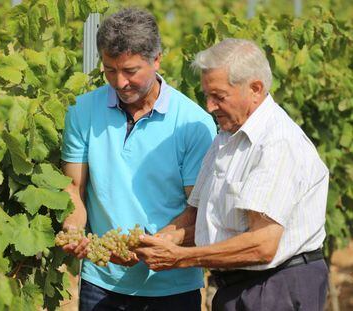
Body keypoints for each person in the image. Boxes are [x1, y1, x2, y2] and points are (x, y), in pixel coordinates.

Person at [135, 38, 329, 311]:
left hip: (277, 287)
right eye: (207, 95)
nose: (209, 106)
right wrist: (155, 243)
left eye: (219, 96)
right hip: (240, 286)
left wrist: (181, 258)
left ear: (255, 89)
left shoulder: (277, 143)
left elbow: (262, 245)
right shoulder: (226, 138)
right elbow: (198, 217)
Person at [60, 7, 216, 311]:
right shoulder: (81, 111)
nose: (119, 83)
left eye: (130, 71)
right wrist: (73, 229)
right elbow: (73, 189)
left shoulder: (192, 124)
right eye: (109, 70)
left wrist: (148, 247)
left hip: (173, 287)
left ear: (156, 59)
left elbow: (198, 211)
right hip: (101, 283)